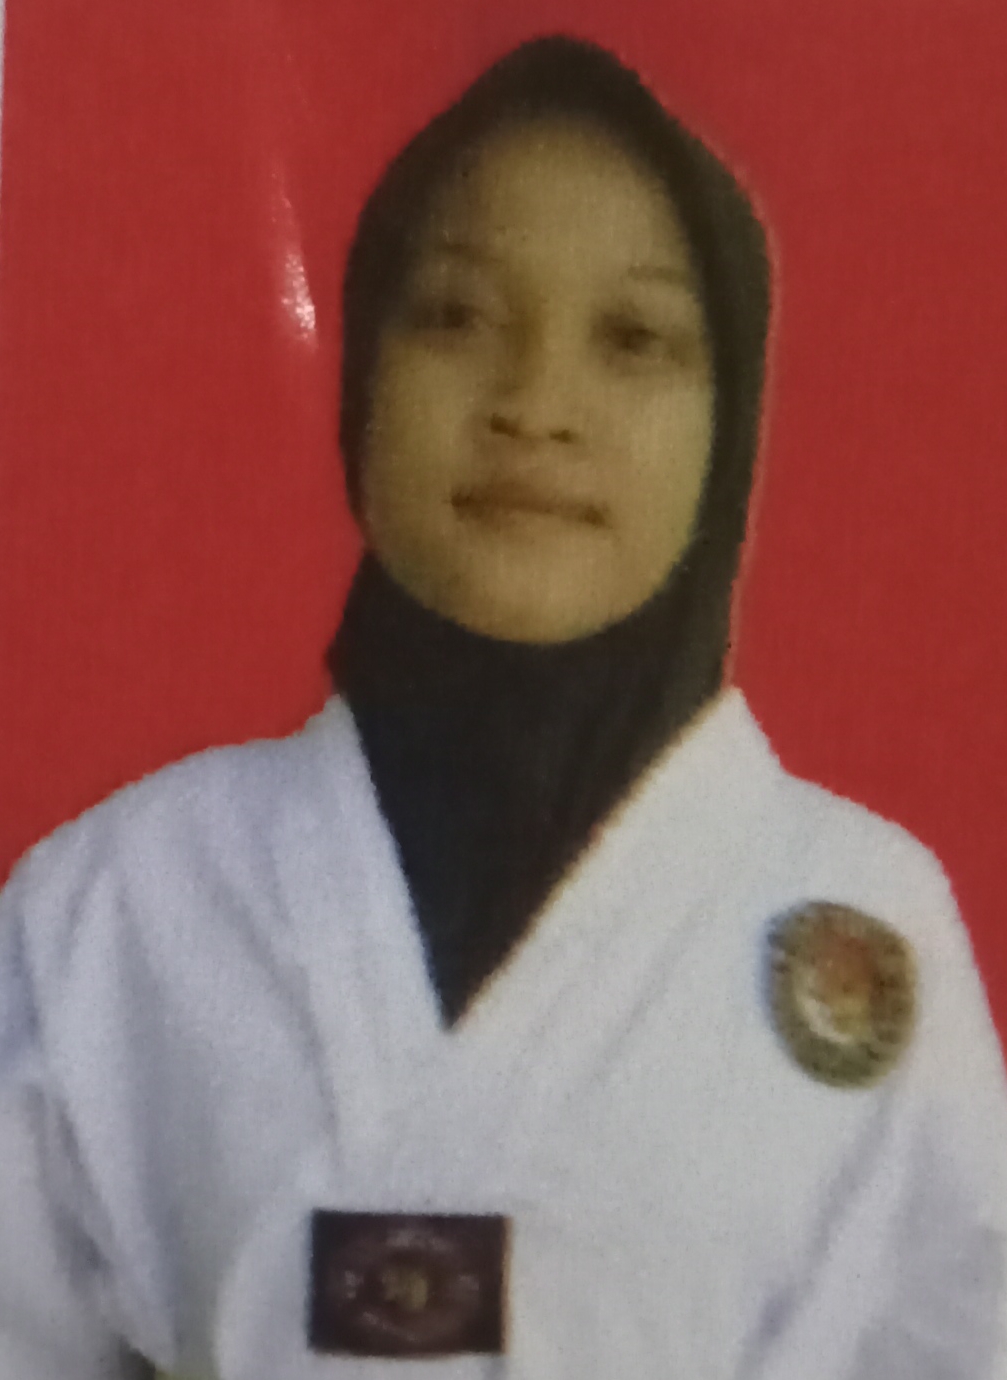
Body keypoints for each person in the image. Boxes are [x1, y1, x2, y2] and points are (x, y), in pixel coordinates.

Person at [1, 34, 1005, 1380]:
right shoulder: (120, 906)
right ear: (361, 374)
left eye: (633, 339)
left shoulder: (864, 930)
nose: (536, 404)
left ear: (732, 425)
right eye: (455, 316)